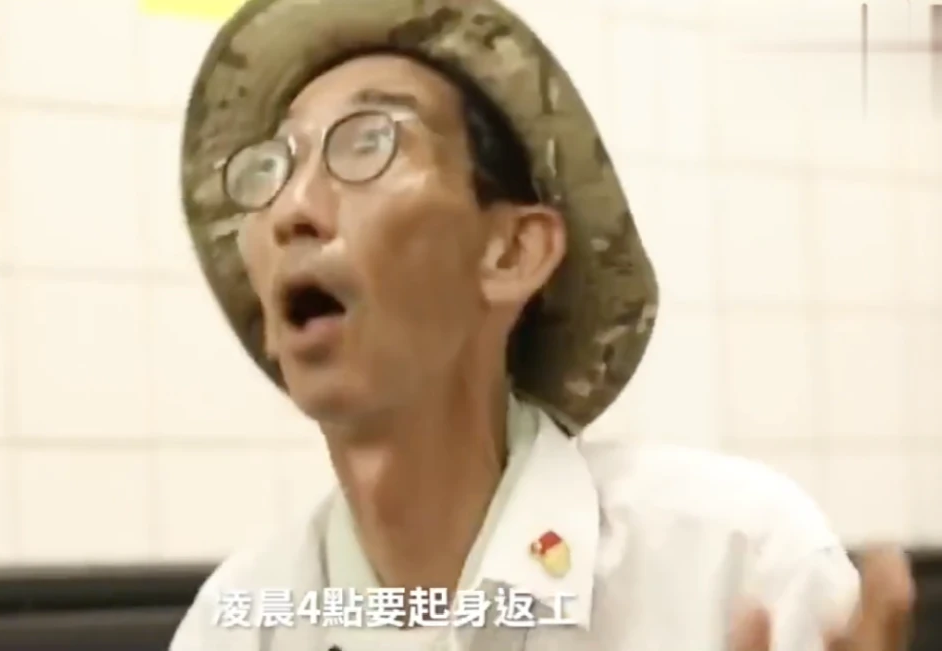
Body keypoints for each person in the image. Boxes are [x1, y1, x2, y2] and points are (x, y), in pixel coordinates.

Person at [170, 0, 915, 649]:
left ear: (513, 253)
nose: (293, 209)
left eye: (368, 142)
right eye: (271, 169)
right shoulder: (237, 625)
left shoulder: (732, 565)